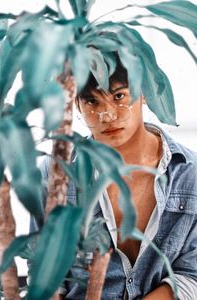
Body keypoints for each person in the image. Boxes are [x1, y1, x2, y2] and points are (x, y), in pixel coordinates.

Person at [31, 54, 197, 299]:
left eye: (119, 96)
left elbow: (191, 275)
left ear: (144, 92)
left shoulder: (189, 173)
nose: (106, 114)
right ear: (77, 104)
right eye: (91, 101)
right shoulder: (55, 172)